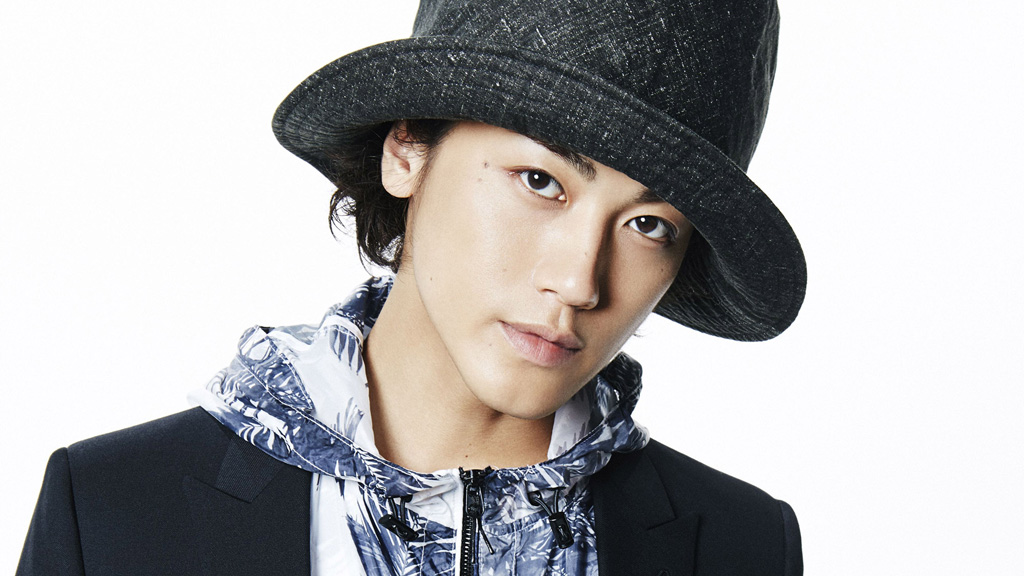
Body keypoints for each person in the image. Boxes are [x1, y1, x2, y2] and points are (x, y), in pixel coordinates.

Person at [17, 0, 806, 574]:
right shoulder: (115, 513)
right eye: (541, 181)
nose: (578, 281)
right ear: (407, 150)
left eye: (650, 225)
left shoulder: (739, 546)